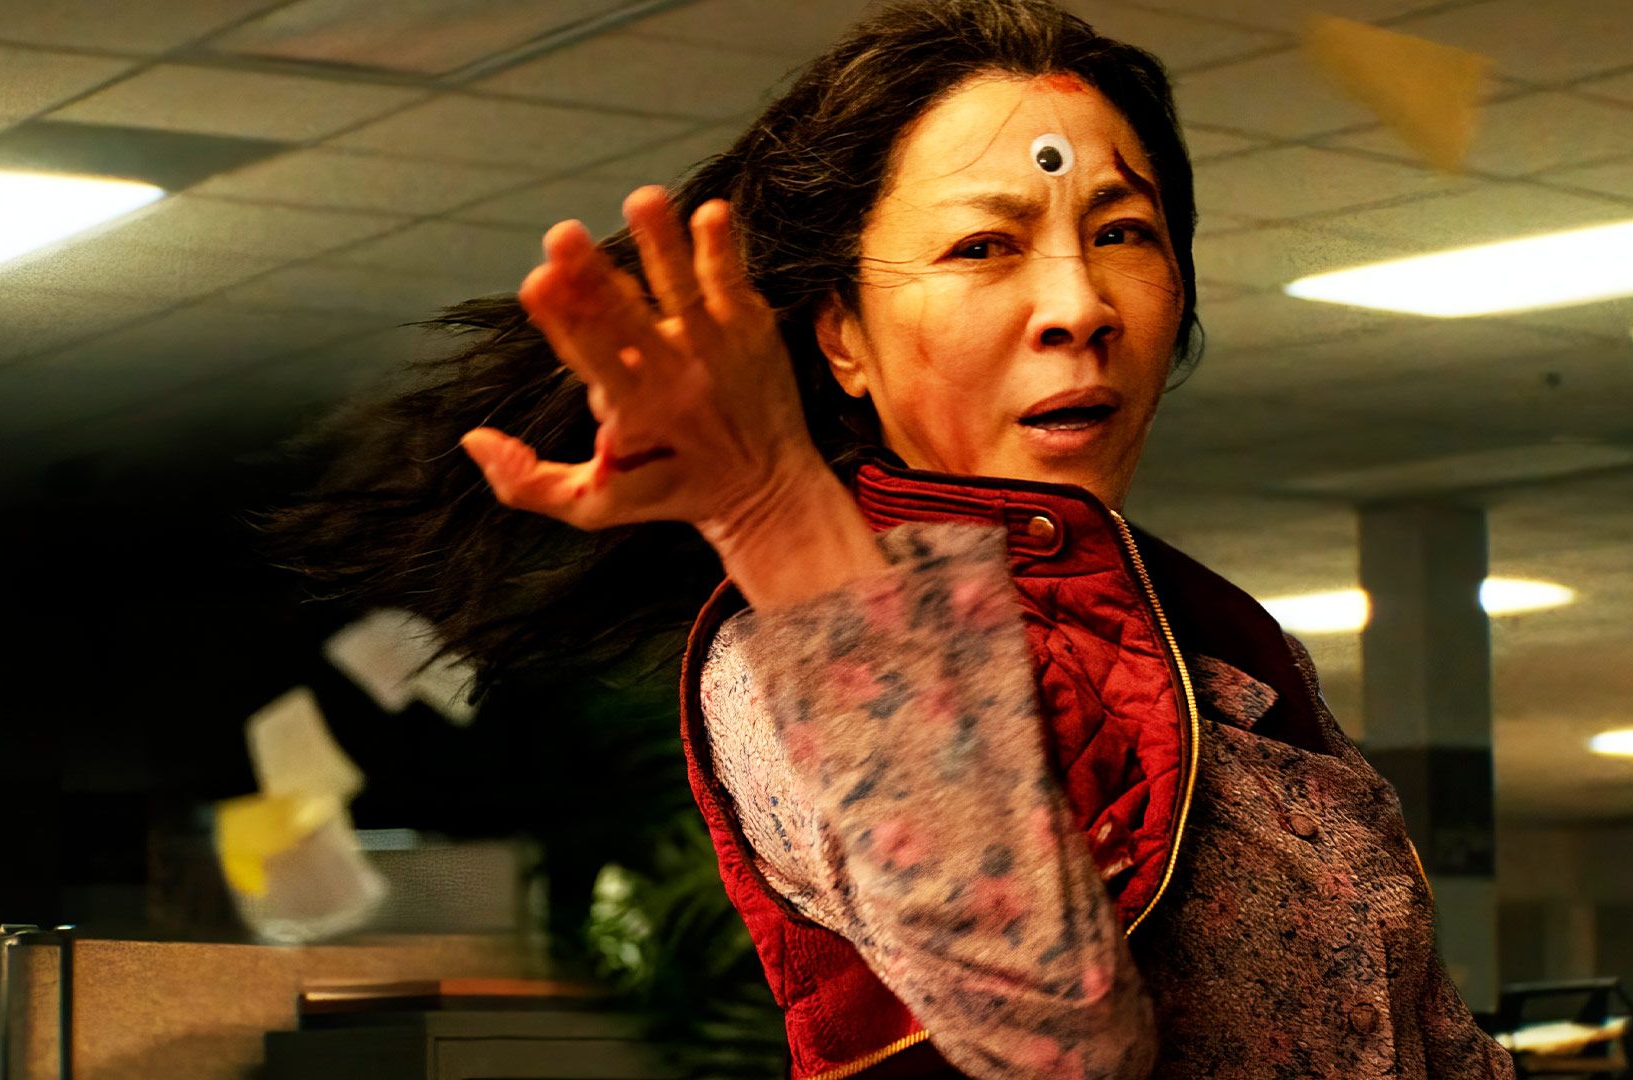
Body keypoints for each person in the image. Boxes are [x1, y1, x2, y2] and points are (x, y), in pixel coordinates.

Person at [277, 1, 1513, 1076]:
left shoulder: (1216, 626)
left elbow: (1431, 1034)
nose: (1079, 305)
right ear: (841, 338)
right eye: (985, 247)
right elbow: (1061, 1038)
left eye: (1122, 232)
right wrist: (775, 511)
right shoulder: (785, 647)